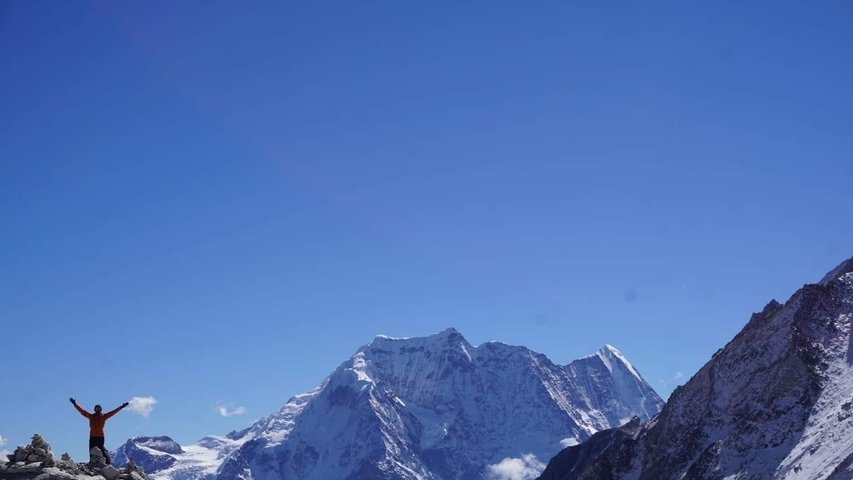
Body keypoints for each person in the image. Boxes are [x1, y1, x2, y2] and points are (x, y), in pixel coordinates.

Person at [69, 397, 129, 465]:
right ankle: (91, 462)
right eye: (96, 408)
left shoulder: (104, 416)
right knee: (91, 450)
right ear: (94, 409)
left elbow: (113, 412)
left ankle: (106, 463)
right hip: (92, 436)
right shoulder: (91, 416)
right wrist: (75, 404)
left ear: (101, 409)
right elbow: (82, 411)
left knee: (101, 450)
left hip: (100, 437)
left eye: (99, 408)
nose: (97, 409)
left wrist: (121, 407)